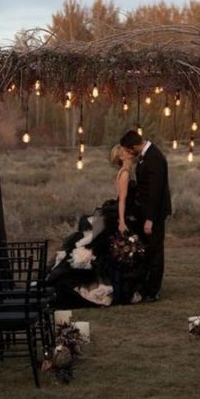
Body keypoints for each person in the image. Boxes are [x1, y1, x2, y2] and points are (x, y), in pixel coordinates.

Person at [45, 145, 145, 308]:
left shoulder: (127, 171)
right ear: (122, 156)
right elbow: (122, 200)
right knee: (104, 249)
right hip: (121, 213)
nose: (130, 152)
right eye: (127, 151)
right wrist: (121, 220)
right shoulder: (125, 173)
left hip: (124, 211)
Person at [120, 130, 172, 302]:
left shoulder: (154, 157)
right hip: (148, 212)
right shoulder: (145, 155)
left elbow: (155, 191)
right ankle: (148, 286)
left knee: (156, 251)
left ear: (135, 146)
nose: (128, 153)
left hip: (155, 214)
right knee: (150, 250)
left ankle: (153, 290)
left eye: (128, 149)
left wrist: (150, 218)